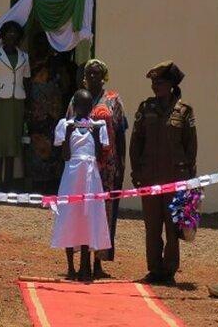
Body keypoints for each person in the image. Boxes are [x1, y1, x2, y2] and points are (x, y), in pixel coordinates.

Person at [130, 61, 196, 286]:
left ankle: (169, 271)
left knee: (173, 226)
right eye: (153, 83)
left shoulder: (184, 112)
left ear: (171, 85)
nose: (155, 86)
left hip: (175, 179)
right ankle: (154, 269)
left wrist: (190, 179)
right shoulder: (146, 108)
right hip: (149, 176)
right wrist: (136, 172)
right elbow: (136, 142)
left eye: (159, 82)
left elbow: (191, 147)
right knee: (152, 226)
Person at [65, 59, 127, 277]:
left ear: (104, 76)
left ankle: (98, 262)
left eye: (97, 73)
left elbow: (121, 133)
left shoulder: (113, 100)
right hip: (82, 167)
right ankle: (80, 262)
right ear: (84, 76)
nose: (93, 76)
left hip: (107, 168)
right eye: (89, 73)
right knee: (81, 212)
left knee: (103, 214)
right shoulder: (76, 99)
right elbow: (68, 130)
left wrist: (121, 164)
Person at [51, 90, 112, 281]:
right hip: (72, 175)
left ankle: (85, 264)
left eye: (88, 106)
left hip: (90, 176)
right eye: (81, 105)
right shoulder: (65, 125)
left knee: (88, 216)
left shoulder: (98, 126)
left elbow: (99, 153)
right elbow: (65, 156)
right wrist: (69, 133)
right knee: (70, 215)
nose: (84, 109)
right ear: (74, 106)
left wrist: (95, 134)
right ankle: (70, 266)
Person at [0, 20, 30, 191]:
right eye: (8, 32)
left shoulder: (24, 57)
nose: (11, 34)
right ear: (3, 35)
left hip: (17, 102)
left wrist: (28, 105)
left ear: (19, 36)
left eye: (14, 32)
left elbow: (27, 82)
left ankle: (8, 181)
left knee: (13, 141)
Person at [24, 32, 66, 195]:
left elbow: (62, 84)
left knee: (53, 147)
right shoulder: (30, 62)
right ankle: (37, 184)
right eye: (39, 43)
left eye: (44, 42)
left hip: (52, 112)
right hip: (36, 111)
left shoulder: (55, 62)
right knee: (36, 147)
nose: (41, 46)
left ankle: (51, 184)